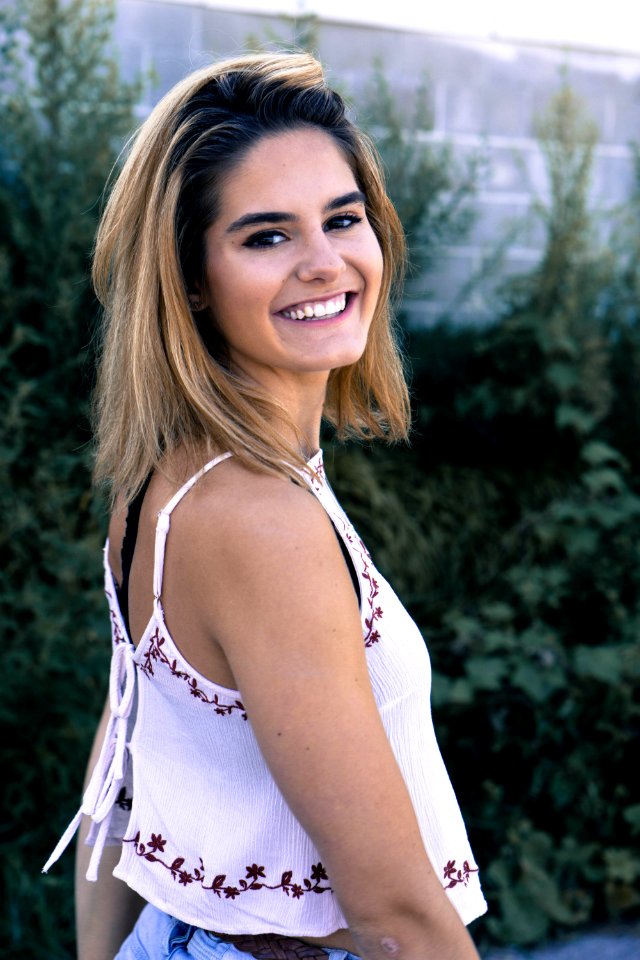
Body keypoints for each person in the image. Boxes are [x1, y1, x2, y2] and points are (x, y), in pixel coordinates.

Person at [43, 51, 487, 960]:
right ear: (192, 281)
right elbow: (394, 912)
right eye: (267, 236)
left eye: (343, 218)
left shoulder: (173, 481)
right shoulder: (258, 521)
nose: (326, 263)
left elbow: (124, 753)